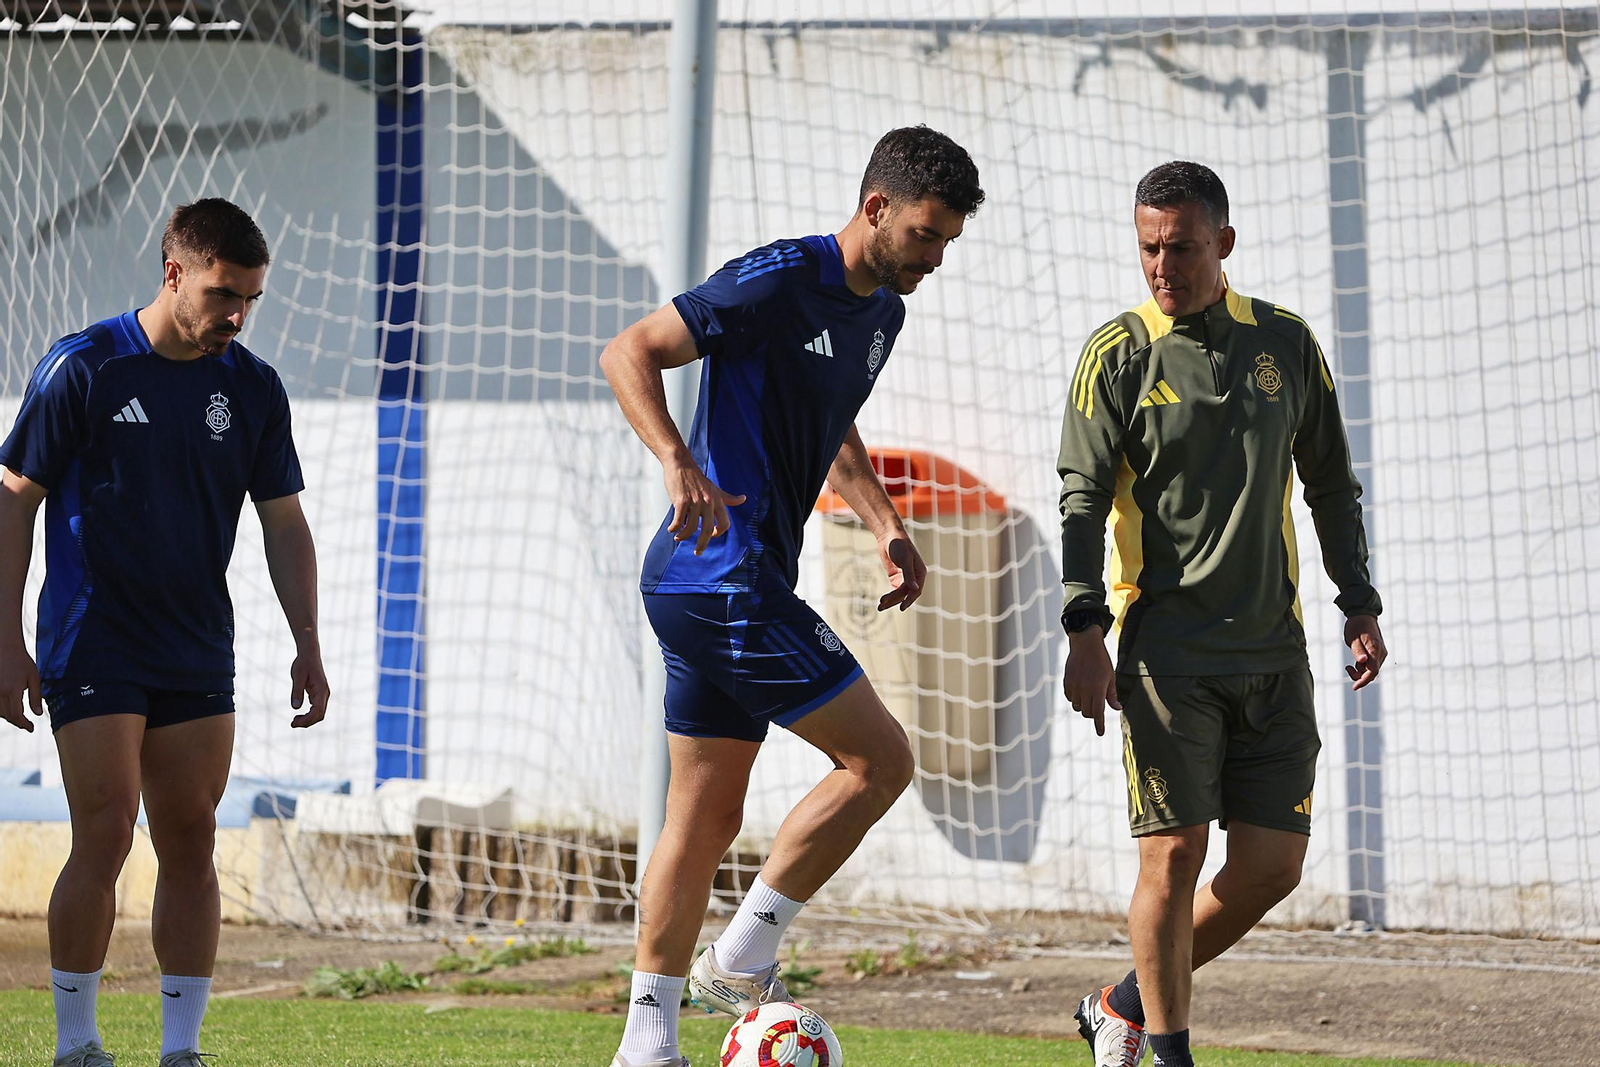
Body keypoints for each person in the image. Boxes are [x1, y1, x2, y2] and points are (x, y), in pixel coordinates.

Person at [600, 126, 983, 1067]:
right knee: (880, 762)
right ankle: (741, 956)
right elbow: (629, 350)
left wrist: (886, 523)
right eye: (926, 235)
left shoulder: (882, 315)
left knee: (703, 816)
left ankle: (646, 1043)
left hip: (719, 582)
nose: (935, 259)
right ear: (877, 207)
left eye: (948, 242)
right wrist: (675, 459)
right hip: (719, 575)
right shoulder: (778, 277)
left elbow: (832, 425)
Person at [1057, 161, 1388, 1067]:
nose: (1162, 266)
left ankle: (1121, 1003)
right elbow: (1081, 500)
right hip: (1166, 654)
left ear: (1224, 243)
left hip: (1274, 652)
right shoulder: (1117, 354)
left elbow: (1331, 485)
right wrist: (1084, 628)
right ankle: (1167, 1050)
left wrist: (1358, 601)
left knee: (1273, 866)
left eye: (1182, 248)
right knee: (1173, 853)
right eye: (1148, 248)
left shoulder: (1285, 342)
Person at [0, 198, 330, 1067]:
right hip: (94, 635)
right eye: (224, 293)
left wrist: (308, 640)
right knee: (106, 830)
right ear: (174, 271)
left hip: (195, 643)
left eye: (251, 298)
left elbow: (284, 521)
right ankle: (77, 1045)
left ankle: (181, 1051)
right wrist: (4, 638)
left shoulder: (253, 387)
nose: (237, 315)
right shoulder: (84, 366)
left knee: (191, 836)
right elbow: (13, 501)